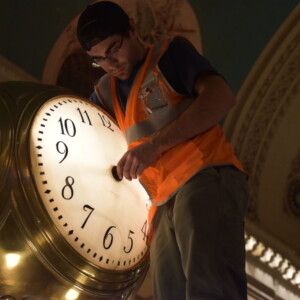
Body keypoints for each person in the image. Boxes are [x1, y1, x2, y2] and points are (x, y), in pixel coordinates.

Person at [77, 2, 249, 299]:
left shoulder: (170, 56)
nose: (111, 63)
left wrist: (153, 147)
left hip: (203, 174)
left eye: (114, 48)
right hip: (160, 203)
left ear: (132, 29)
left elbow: (220, 98)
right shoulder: (105, 93)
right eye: (100, 60)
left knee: (210, 286)